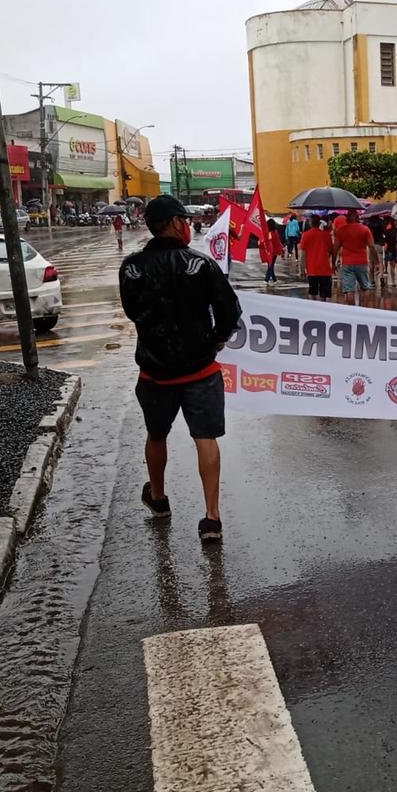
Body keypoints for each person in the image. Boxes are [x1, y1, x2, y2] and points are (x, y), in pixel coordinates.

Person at [120, 196, 242, 544]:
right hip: (200, 371)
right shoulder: (200, 265)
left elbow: (132, 312)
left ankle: (158, 499)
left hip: (154, 373)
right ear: (175, 223)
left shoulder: (131, 268)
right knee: (205, 438)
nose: (188, 226)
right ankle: (212, 519)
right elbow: (230, 313)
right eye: (185, 221)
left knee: (156, 435)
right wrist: (215, 340)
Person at [336, 212, 379, 306]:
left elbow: (335, 249)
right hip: (362, 262)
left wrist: (333, 261)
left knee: (349, 290)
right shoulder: (365, 229)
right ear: (357, 217)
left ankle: (352, 311)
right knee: (365, 287)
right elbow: (372, 246)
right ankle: (363, 309)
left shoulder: (341, 230)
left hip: (347, 263)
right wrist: (377, 262)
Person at [299, 214, 335, 301]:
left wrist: (302, 269)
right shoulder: (326, 235)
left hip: (312, 270)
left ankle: (313, 311)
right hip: (325, 269)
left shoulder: (305, 235)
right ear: (319, 223)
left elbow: (303, 255)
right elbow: (331, 251)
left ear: (310, 223)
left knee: (312, 293)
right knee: (324, 295)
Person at [263, 218, 281, 284]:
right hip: (274, 252)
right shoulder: (275, 232)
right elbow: (278, 242)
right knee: (271, 265)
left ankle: (269, 279)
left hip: (269, 252)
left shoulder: (267, 233)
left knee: (270, 265)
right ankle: (271, 279)